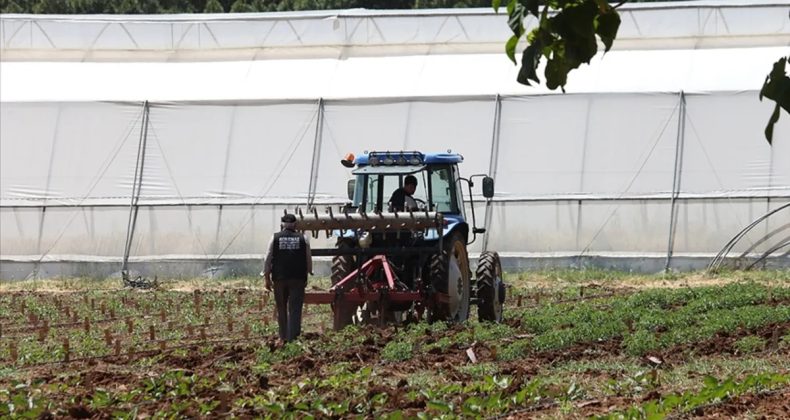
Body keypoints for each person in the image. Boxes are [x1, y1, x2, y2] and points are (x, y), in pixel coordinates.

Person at [263, 213, 313, 342]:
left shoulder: (274, 237)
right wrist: (308, 272)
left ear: (282, 224)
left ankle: (283, 336)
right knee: (295, 308)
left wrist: (266, 277)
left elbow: (268, 257)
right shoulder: (303, 238)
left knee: (281, 307)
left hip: (279, 278)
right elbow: (308, 258)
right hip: (297, 278)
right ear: (295, 224)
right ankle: (293, 338)